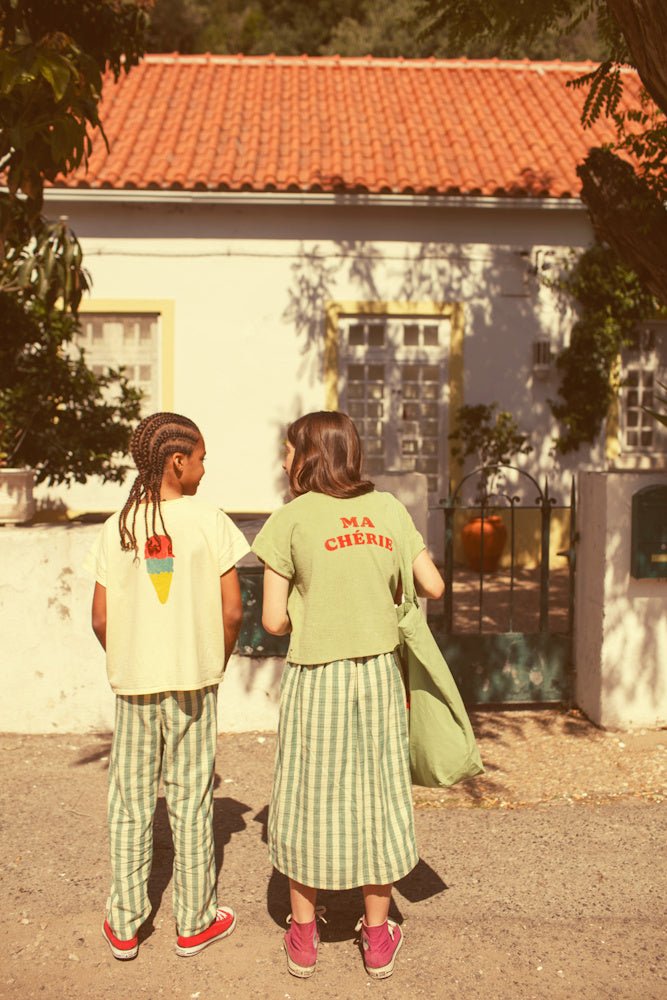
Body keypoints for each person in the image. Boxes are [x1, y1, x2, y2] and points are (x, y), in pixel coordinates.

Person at [252, 411, 444, 980]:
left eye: (288, 451)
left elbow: (272, 621)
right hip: (378, 676)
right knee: (378, 793)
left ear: (309, 455)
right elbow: (431, 584)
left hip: (317, 678)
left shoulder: (289, 520)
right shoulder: (388, 510)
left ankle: (305, 936)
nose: (283, 461)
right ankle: (378, 934)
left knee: (308, 793)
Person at [84, 411, 249, 961]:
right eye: (200, 456)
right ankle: (194, 922)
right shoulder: (212, 521)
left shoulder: (118, 527)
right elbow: (232, 611)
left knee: (131, 800)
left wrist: (133, 658)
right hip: (194, 684)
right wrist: (214, 662)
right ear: (178, 461)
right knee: (191, 797)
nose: (205, 466)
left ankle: (126, 923)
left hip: (133, 686)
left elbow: (102, 619)